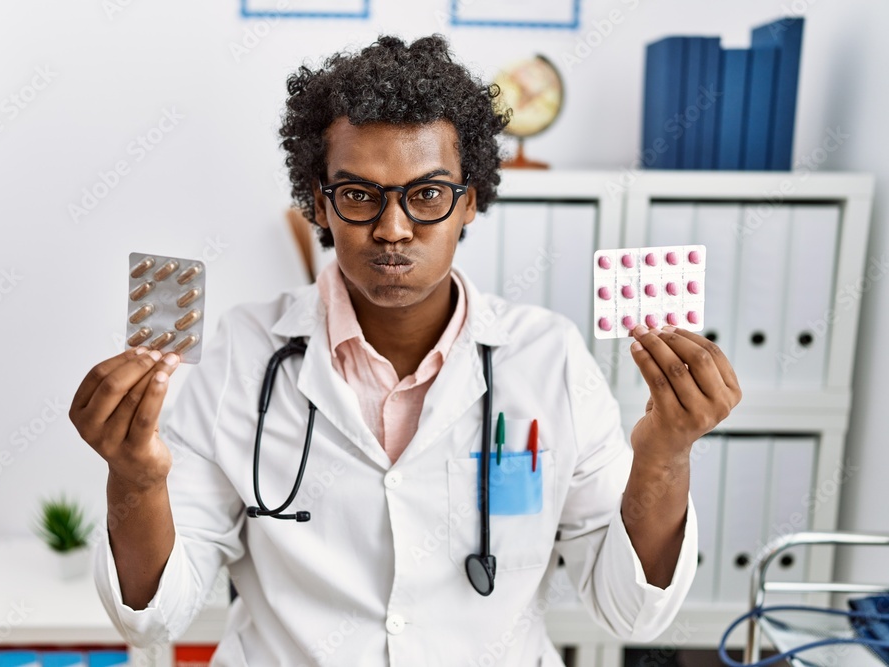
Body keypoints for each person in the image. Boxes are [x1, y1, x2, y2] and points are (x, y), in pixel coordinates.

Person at [70, 34, 742, 666]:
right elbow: (152, 619)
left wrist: (665, 453)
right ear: (320, 204)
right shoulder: (243, 356)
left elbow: (632, 613)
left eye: (426, 194)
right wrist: (135, 477)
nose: (392, 228)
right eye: (359, 195)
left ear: (469, 201)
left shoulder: (549, 359)